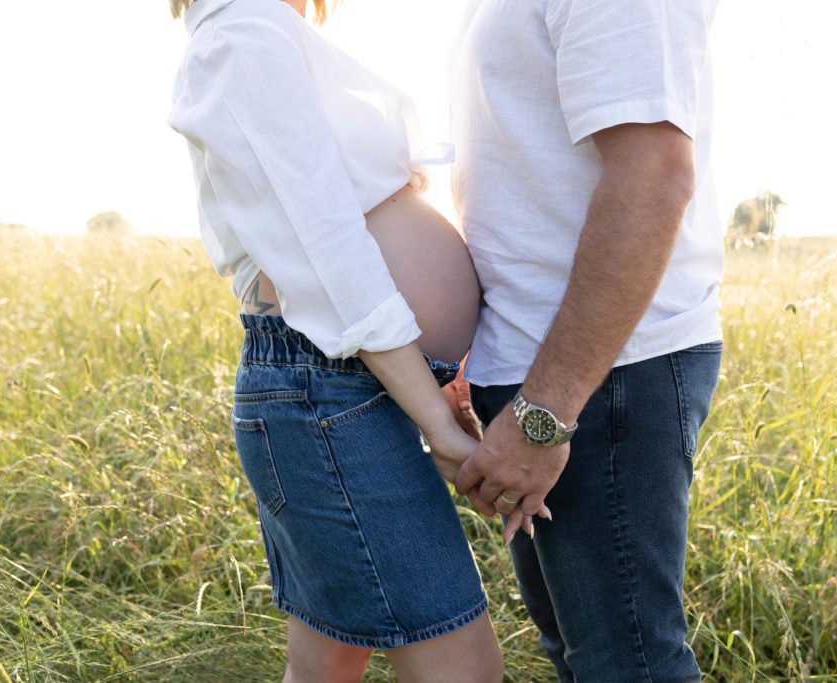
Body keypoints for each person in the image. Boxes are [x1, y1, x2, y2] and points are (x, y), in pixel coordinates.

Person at [167, 0, 541, 680]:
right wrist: (435, 420)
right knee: (464, 671)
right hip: (327, 389)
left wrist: (437, 382)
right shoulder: (240, 37)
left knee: (329, 663)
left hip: (344, 383)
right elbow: (328, 250)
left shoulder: (267, 31)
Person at [449, 0, 725, 680]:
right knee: (585, 657)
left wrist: (546, 411)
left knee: (625, 662)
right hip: (546, 369)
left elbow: (654, 173)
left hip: (603, 374)